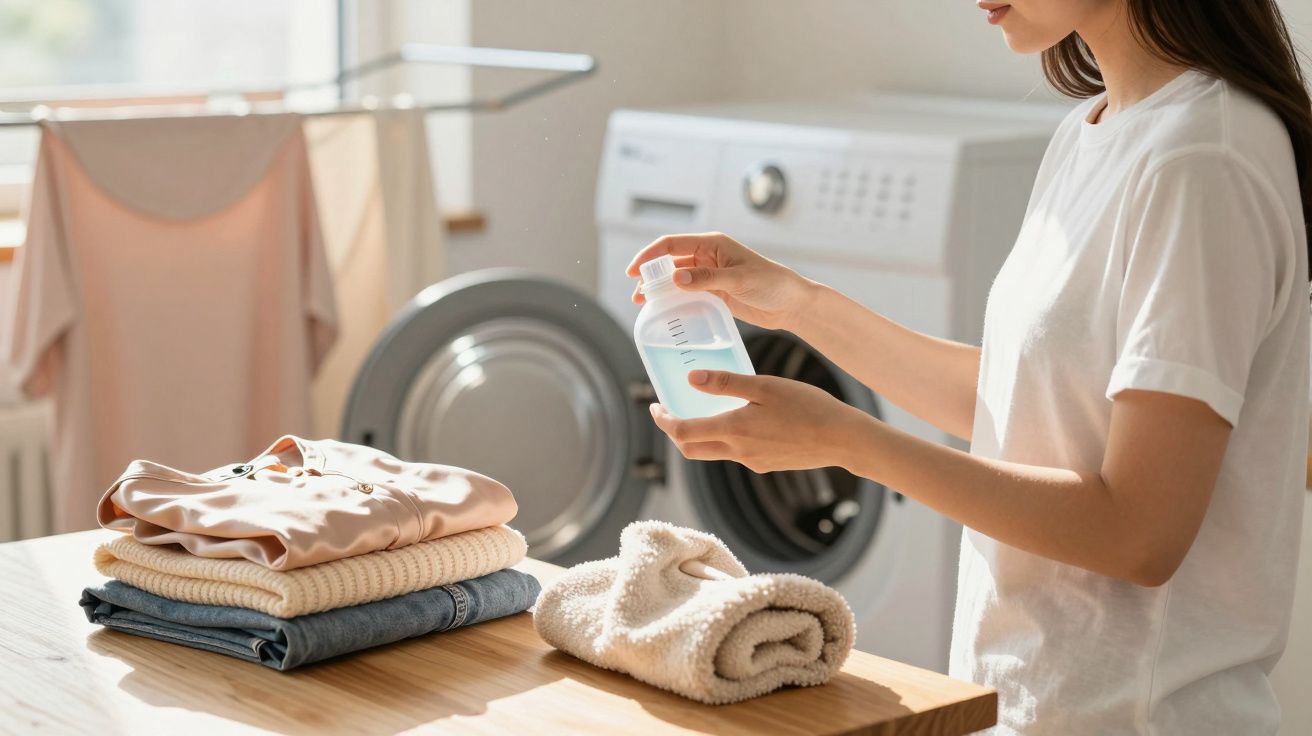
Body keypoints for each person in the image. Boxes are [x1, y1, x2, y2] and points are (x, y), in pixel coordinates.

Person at [627, 1, 1312, 733]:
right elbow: (1030, 407)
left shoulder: (1203, 158)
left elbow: (1139, 533)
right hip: (1028, 706)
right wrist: (799, 304)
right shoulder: (1099, 128)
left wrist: (846, 441)